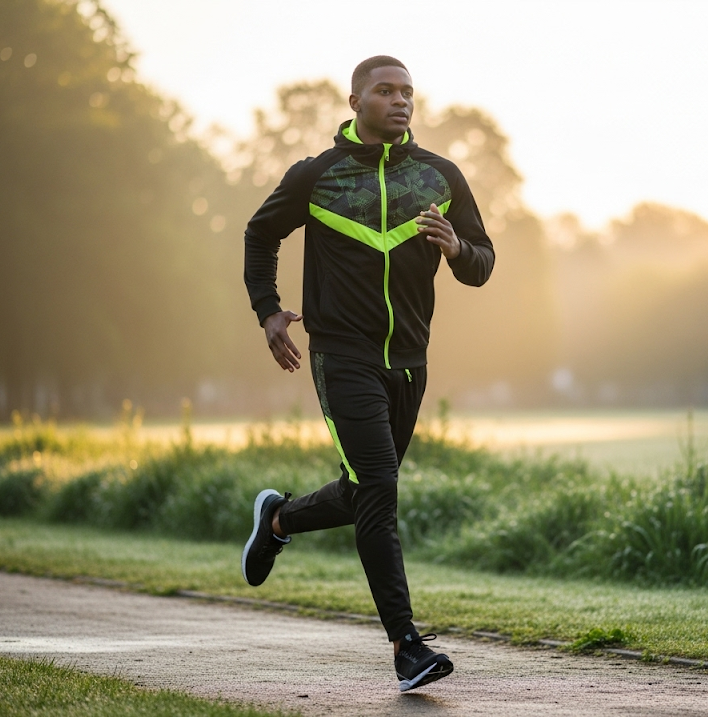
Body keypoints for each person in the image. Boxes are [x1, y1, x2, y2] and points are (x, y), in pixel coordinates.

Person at [240, 55, 494, 692]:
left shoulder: (440, 176)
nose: (400, 100)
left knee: (364, 492)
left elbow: (483, 263)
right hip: (341, 354)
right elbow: (259, 233)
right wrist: (269, 312)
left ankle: (278, 520)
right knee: (380, 485)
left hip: (409, 361)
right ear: (354, 101)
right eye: (385, 91)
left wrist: (457, 248)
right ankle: (407, 647)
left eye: (407, 91)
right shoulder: (317, 176)